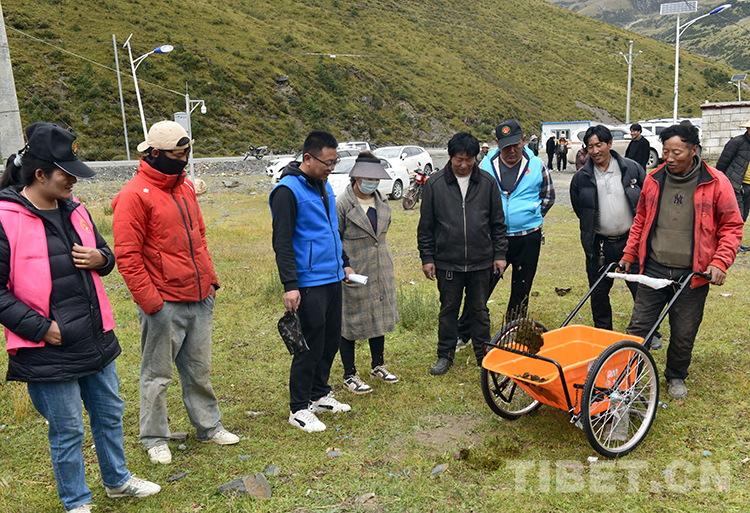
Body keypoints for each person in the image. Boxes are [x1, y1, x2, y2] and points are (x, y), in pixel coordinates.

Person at [0, 123, 160, 513]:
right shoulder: (5, 218)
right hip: (48, 347)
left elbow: (105, 255)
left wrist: (101, 258)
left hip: (94, 336)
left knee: (110, 413)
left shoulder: (76, 209)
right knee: (68, 428)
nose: (74, 180)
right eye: (66, 173)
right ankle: (76, 502)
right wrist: (42, 329)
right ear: (40, 174)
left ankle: (117, 481)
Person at [112, 121, 239, 465]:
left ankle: (209, 427)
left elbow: (200, 236)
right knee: (157, 375)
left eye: (187, 153)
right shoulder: (133, 195)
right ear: (155, 153)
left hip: (199, 295)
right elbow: (127, 256)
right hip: (163, 302)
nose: (184, 159)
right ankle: (155, 438)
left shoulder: (184, 188)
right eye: (178, 154)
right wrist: (152, 303)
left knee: (199, 369)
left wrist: (210, 281)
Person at [619, 123, 743, 400]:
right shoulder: (654, 180)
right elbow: (640, 220)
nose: (669, 158)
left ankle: (676, 374)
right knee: (639, 326)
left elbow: (732, 226)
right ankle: (629, 376)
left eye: (677, 152)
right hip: (654, 267)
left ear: (693, 150)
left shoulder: (715, 181)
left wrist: (720, 262)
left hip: (693, 273)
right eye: (666, 152)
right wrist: (629, 254)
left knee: (684, 331)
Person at [270, 130, 353, 432]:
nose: (331, 168)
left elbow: (331, 230)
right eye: (327, 163)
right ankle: (298, 407)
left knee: (330, 340)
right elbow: (282, 242)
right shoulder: (287, 191)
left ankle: (319, 394)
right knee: (310, 344)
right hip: (308, 281)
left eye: (334, 162)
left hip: (332, 276)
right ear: (308, 158)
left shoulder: (324, 185)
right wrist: (290, 285)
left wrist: (344, 262)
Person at [418, 131, 507, 375]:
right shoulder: (435, 184)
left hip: (481, 261)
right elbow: (426, 227)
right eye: (459, 159)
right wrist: (427, 258)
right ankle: (445, 355)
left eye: (469, 159)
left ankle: (484, 355)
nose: (464, 165)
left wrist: (500, 254)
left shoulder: (487, 183)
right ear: (450, 156)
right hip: (448, 261)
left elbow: (498, 224)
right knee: (448, 309)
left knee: (479, 311)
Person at [458, 120, 554, 344]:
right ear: (497, 143)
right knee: (481, 286)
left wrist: (531, 215)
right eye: (505, 146)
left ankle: (512, 332)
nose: (511, 151)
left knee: (522, 288)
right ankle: (463, 332)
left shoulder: (537, 164)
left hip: (527, 238)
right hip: (493, 238)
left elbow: (548, 196)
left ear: (523, 140)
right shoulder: (485, 165)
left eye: (515, 145)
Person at [570, 125, 645, 331]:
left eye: (599, 145)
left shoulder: (632, 168)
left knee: (641, 289)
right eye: (590, 147)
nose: (595, 151)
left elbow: (647, 201)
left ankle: (648, 330)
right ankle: (603, 331)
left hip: (631, 241)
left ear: (610, 143)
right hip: (599, 244)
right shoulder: (581, 178)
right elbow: (581, 209)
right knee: (599, 292)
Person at [337, 153, 399, 394]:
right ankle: (349, 374)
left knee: (379, 317)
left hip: (381, 268)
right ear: (356, 177)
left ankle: (378, 365)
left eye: (376, 178)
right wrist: (344, 265)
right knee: (350, 321)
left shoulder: (382, 201)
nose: (372, 182)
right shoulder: (343, 203)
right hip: (354, 270)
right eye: (368, 178)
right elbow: (335, 238)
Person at [715, 117, 750, 253]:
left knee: (744, 215)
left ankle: (737, 242)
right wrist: (720, 181)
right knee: (736, 216)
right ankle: (732, 244)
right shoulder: (737, 142)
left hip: (748, 185)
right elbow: (722, 163)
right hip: (735, 185)